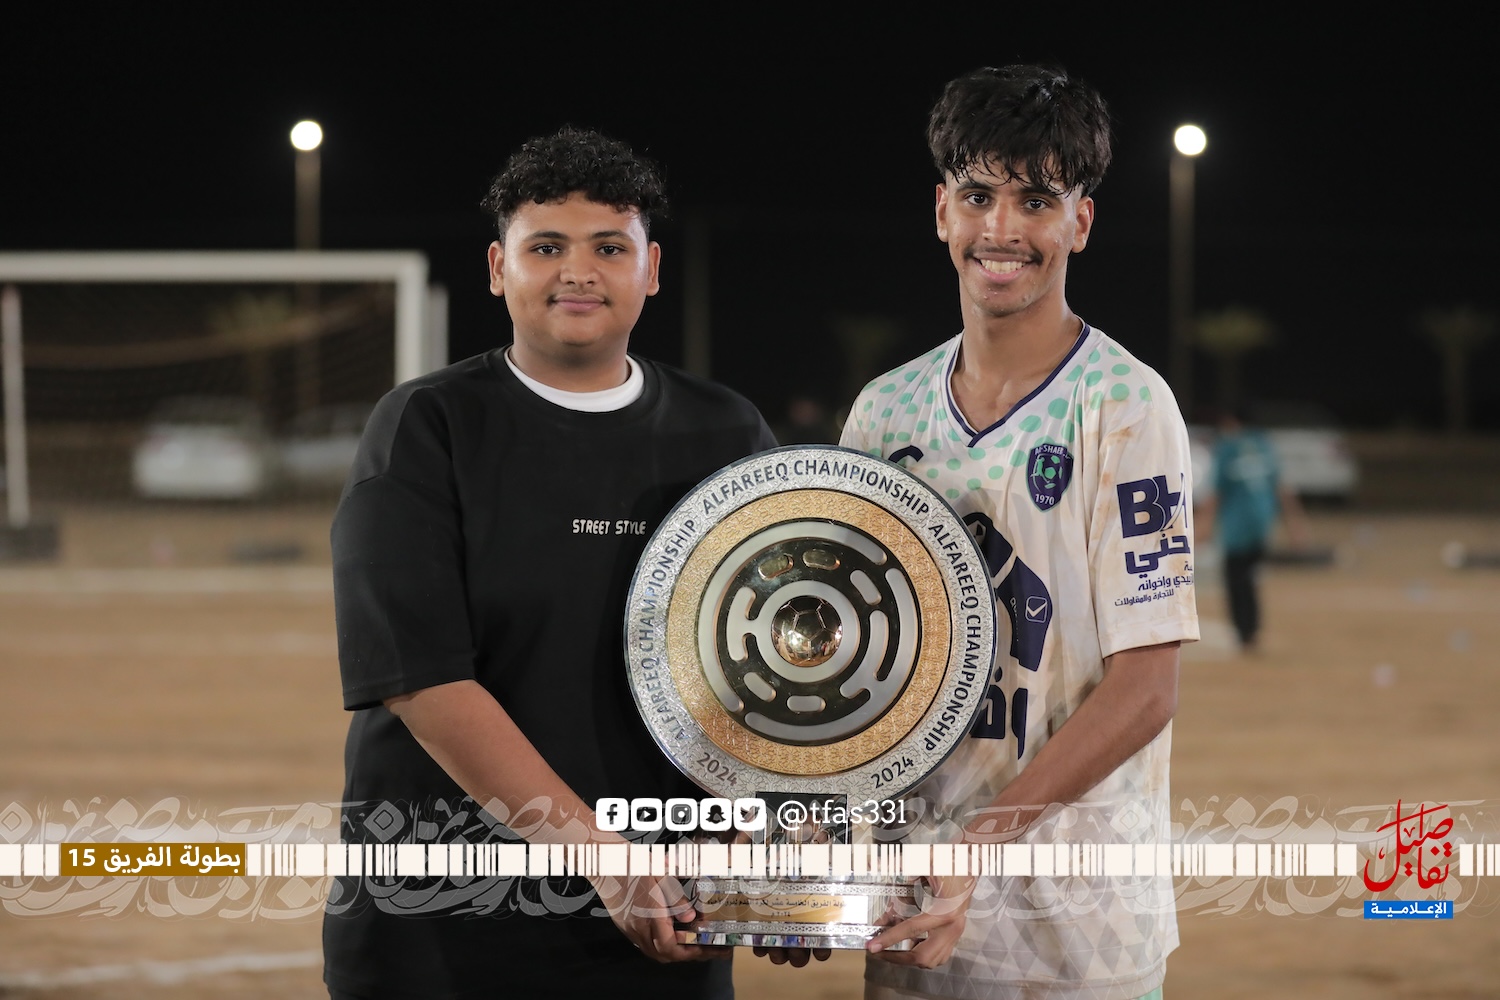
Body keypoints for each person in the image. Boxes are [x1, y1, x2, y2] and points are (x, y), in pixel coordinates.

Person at [323, 126, 777, 999]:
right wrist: (601, 856)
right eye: (546, 247)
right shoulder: (426, 427)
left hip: (661, 922)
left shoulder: (726, 432)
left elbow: (765, 675)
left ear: (650, 268)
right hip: (447, 930)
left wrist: (753, 837)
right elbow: (423, 681)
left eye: (609, 247)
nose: (578, 271)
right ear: (499, 269)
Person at [837, 66, 1199, 1000]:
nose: (1001, 229)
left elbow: (1146, 687)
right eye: (977, 196)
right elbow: (846, 667)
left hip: (1080, 935)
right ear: (942, 212)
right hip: (916, 919)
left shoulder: (1125, 404)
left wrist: (978, 845)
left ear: (1080, 222)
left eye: (1036, 200)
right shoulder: (883, 412)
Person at [1198, 408, 1307, 652]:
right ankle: (1252, 631)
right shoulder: (1263, 445)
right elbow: (1282, 488)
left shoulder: (1227, 448)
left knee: (1236, 581)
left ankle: (1244, 632)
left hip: (1237, 529)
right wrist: (1295, 526)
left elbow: (1215, 493)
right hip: (1261, 525)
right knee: (1249, 579)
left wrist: (1202, 529)